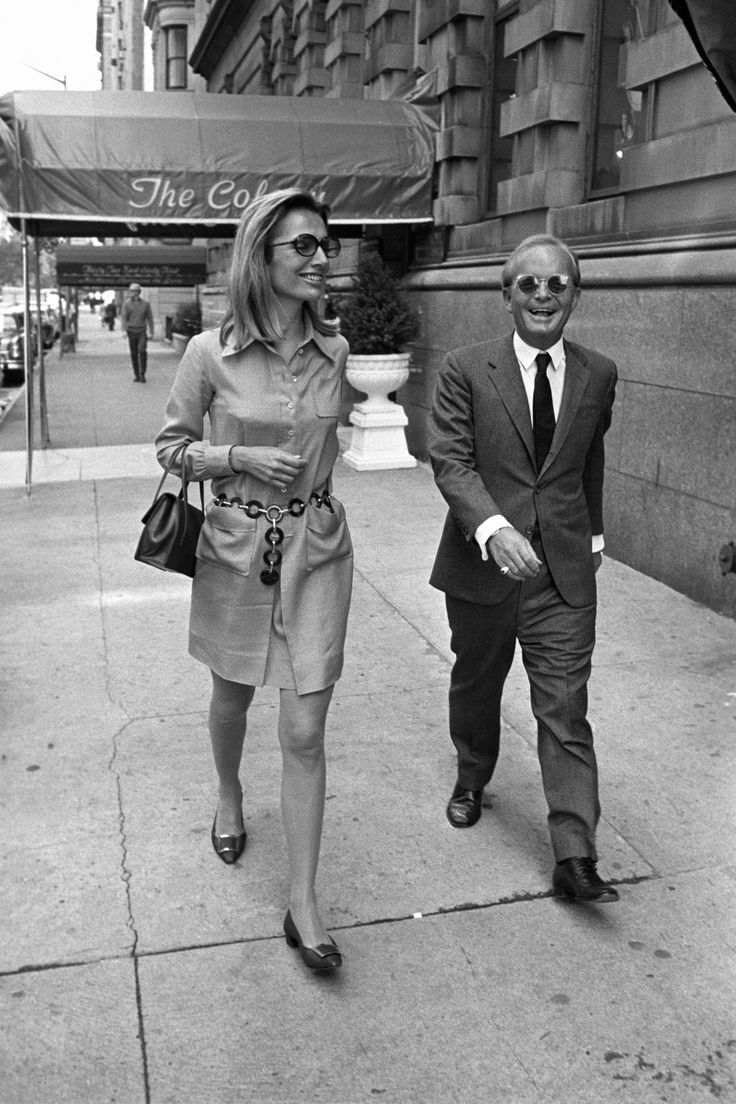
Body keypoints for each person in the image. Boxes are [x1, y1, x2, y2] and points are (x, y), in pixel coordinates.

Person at [155, 188, 352, 970]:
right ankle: (230, 793)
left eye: (324, 244)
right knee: (232, 697)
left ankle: (303, 901)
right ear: (260, 256)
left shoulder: (335, 351)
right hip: (237, 547)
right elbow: (171, 448)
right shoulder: (211, 353)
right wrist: (236, 457)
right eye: (302, 246)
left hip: (319, 550)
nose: (320, 257)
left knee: (304, 729)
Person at [428, 233, 619, 903]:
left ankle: (575, 854)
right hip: (484, 568)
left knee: (565, 708)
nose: (543, 296)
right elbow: (450, 460)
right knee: (478, 685)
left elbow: (587, 461)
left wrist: (593, 535)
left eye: (556, 284)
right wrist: (492, 528)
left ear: (574, 294)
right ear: (506, 295)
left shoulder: (598, 373)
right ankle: (473, 773)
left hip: (563, 574)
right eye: (528, 285)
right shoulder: (462, 368)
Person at [121, 283, 154, 382]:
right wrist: (124, 330)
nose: (132, 293)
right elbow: (123, 317)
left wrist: (151, 331)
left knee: (142, 351)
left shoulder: (145, 304)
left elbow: (150, 318)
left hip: (141, 331)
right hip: (131, 331)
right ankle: (136, 375)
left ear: (138, 292)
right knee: (134, 354)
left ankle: (142, 373)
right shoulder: (126, 304)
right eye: (131, 291)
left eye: (134, 291)